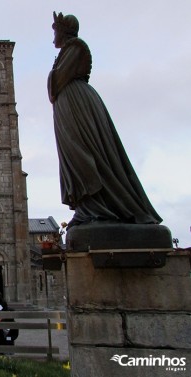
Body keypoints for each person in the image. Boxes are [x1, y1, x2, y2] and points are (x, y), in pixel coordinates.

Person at [48, 12, 162, 229]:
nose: (53, 36)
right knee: (75, 155)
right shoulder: (67, 51)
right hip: (69, 106)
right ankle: (88, 208)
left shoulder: (76, 47)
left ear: (64, 31)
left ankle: (100, 208)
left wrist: (52, 77)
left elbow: (57, 82)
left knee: (84, 151)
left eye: (55, 30)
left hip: (78, 106)